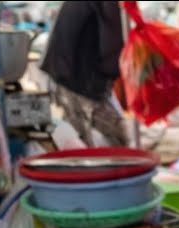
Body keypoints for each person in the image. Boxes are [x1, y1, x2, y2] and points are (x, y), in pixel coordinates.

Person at [40, 1, 129, 147]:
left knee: (82, 139)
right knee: (118, 139)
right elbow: (111, 52)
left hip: (66, 75)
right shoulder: (107, 4)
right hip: (78, 80)